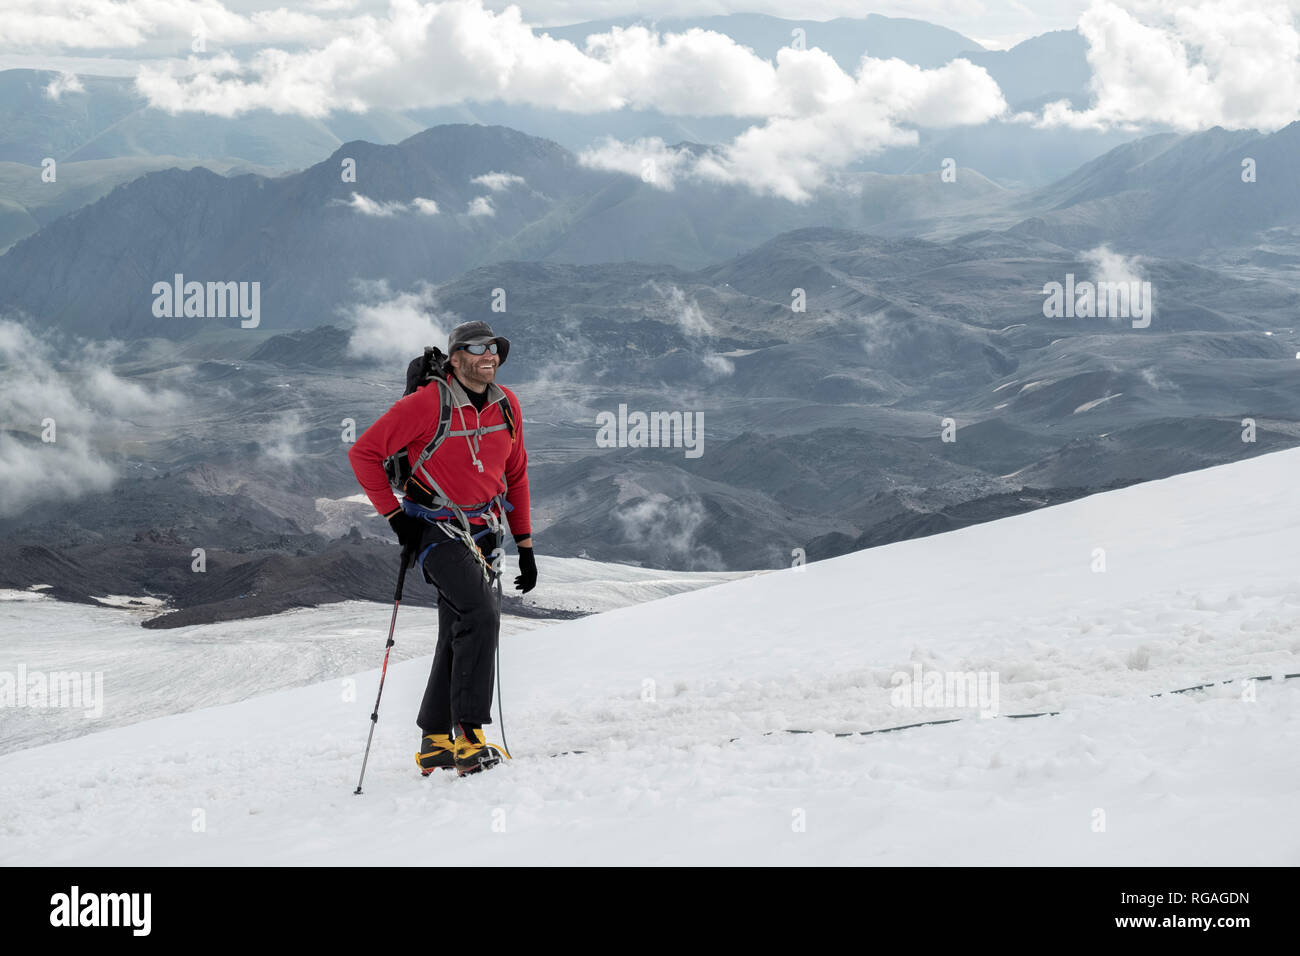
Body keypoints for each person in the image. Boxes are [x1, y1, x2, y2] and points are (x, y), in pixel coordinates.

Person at [348, 321, 537, 776]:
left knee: (457, 627)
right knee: (480, 615)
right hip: (436, 530)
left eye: (494, 348)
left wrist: (526, 544)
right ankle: (469, 737)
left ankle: (435, 740)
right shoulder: (427, 403)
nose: (489, 355)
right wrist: (395, 520)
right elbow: (364, 454)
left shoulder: (507, 404)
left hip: (486, 533)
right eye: (476, 349)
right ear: (455, 358)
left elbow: (517, 474)